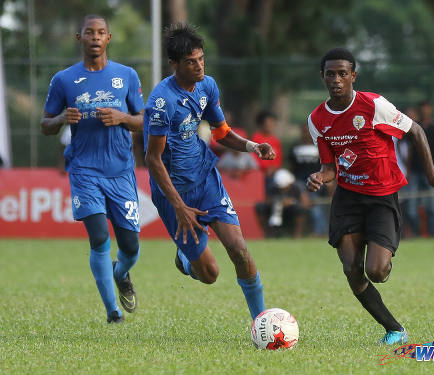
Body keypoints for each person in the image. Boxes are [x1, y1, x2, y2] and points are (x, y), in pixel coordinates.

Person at [306, 48, 434, 345]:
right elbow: (329, 167)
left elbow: (417, 131)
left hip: (381, 197)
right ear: (322, 77)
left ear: (353, 76)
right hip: (347, 199)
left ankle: (383, 255)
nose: (336, 79)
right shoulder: (317, 119)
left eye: (342, 74)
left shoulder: (373, 105)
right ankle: (394, 329)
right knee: (351, 269)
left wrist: (433, 176)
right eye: (330, 74)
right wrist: (320, 176)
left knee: (377, 271)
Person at [143, 23, 276, 320]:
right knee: (210, 274)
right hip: (175, 194)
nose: (199, 66)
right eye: (191, 62)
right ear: (174, 64)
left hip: (206, 180)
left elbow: (222, 133)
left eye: (201, 58)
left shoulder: (207, 85)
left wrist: (254, 146)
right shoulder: (162, 102)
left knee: (239, 250)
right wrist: (179, 207)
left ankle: (261, 321)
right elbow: (153, 159)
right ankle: (185, 259)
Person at [40, 15, 144, 324]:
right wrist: (60, 120)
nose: (95, 37)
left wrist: (122, 118)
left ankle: (121, 272)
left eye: (101, 32)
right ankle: (113, 312)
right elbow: (45, 124)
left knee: (130, 245)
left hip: (121, 171)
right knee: (99, 237)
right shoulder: (63, 80)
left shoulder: (126, 75)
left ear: (109, 38)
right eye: (89, 32)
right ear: (79, 38)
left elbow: (145, 120)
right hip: (84, 170)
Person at [406, 100, 434, 237]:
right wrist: (408, 170)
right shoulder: (414, 127)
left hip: (431, 170)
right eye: (423, 108)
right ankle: (416, 233)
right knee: (411, 206)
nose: (425, 110)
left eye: (427, 107)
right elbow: (410, 151)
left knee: (433, 205)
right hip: (416, 170)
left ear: (431, 109)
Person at [289, 124, 331, 236]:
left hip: (316, 180)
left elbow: (325, 166)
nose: (306, 133)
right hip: (299, 182)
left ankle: (320, 232)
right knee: (308, 201)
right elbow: (291, 167)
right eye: (304, 131)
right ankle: (301, 233)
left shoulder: (319, 146)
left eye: (308, 131)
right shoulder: (295, 147)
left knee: (316, 203)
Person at [255, 168, 310, 238]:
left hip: (292, 210)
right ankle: (268, 234)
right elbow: (267, 201)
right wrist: (277, 202)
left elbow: (306, 203)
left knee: (299, 209)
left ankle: (297, 235)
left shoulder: (298, 186)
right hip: (275, 209)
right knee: (260, 206)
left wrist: (292, 202)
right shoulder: (273, 187)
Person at [251, 110, 283, 195]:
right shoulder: (256, 138)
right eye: (267, 123)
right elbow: (253, 158)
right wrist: (264, 169)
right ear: (262, 124)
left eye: (272, 123)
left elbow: (278, 160)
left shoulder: (276, 140)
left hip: (273, 174)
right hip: (258, 174)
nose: (270, 125)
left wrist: (273, 168)